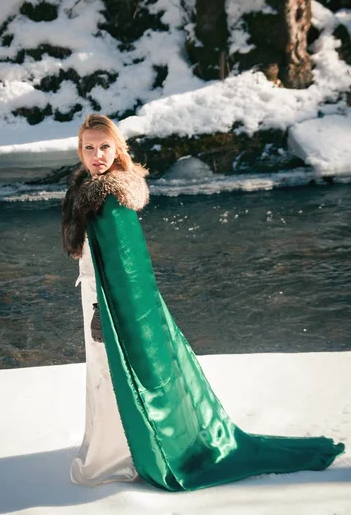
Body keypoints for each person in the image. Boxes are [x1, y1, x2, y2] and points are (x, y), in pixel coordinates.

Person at [62, 113, 345, 491]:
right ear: (80, 151)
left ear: (118, 149)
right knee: (102, 374)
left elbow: (125, 270)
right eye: (89, 148)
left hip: (107, 306)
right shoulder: (89, 190)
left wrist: (103, 311)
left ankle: (119, 453)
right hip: (94, 298)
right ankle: (114, 446)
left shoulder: (110, 198)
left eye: (104, 147)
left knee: (109, 374)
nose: (97, 155)